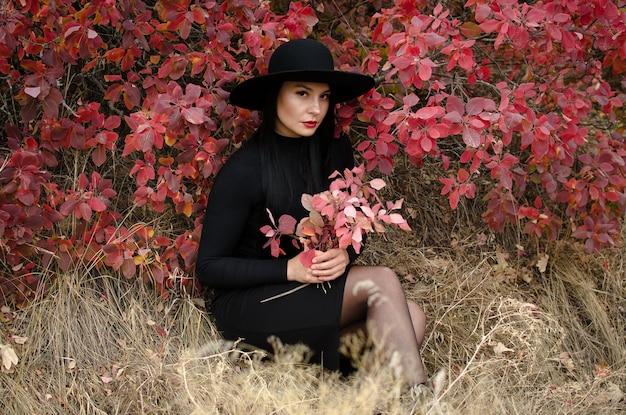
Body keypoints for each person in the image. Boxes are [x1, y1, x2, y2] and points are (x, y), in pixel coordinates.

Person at [195, 38, 427, 388]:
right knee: (381, 283)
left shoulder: (334, 152)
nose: (316, 108)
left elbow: (349, 226)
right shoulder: (245, 170)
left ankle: (358, 397)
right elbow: (210, 268)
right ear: (275, 96)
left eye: (323, 96)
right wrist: (287, 268)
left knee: (412, 316)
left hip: (313, 294)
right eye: (302, 94)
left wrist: (344, 254)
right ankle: (419, 401)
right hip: (255, 305)